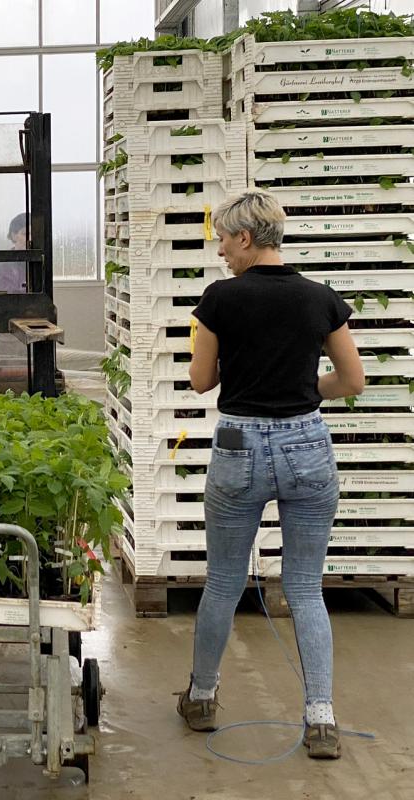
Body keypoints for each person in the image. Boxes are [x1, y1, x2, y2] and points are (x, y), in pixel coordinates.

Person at [175, 190, 364, 759]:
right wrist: (307, 392)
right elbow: (352, 380)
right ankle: (322, 719)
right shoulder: (320, 299)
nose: (221, 253)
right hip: (307, 441)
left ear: (247, 239)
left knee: (224, 583)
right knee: (306, 587)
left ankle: (203, 698)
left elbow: (201, 381)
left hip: (238, 440)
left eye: (224, 241)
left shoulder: (219, 300)